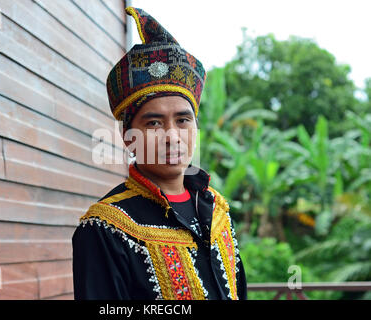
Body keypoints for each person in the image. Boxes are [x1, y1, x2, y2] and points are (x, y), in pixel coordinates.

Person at [72, 7, 247, 300]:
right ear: (128, 137)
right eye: (153, 122)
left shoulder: (217, 209)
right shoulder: (105, 228)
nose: (172, 136)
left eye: (182, 120)